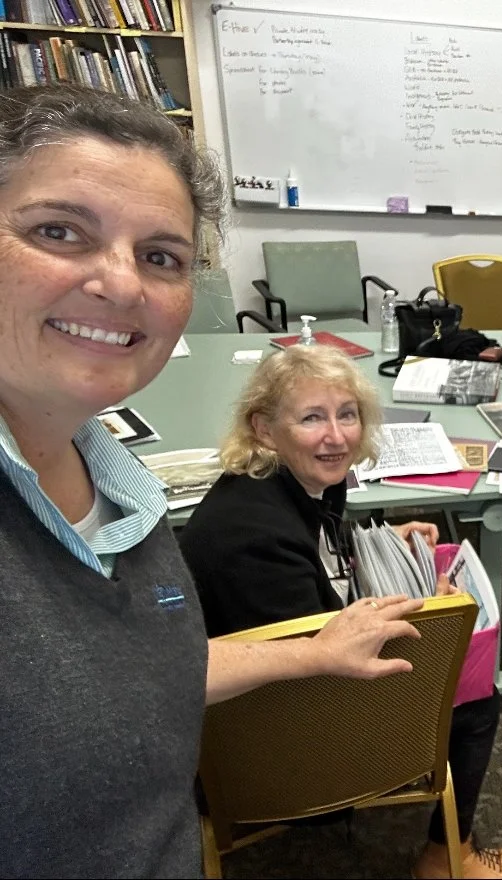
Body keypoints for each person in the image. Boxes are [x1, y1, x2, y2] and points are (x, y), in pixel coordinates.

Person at [0, 83, 424, 878]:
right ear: (264, 430)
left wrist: (310, 648)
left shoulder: (119, 483)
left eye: (160, 255)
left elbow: (147, 670)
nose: (121, 285)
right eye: (58, 231)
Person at [178, 345, 502, 880]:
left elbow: (312, 557)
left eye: (347, 414)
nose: (337, 436)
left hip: (251, 707)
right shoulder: (252, 540)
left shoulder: (281, 485)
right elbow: (320, 670)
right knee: (476, 698)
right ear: (265, 429)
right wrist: (432, 615)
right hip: (274, 744)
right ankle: (443, 858)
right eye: (312, 417)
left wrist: (382, 543)